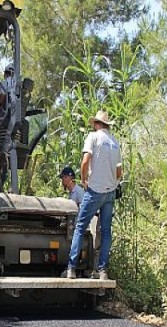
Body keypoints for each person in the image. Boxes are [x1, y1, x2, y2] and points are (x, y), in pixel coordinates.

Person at [66, 110, 122, 280]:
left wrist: (84, 180)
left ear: (97, 124)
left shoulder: (93, 137)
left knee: (79, 227)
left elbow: (85, 161)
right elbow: (119, 171)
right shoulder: (115, 142)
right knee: (106, 232)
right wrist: (112, 183)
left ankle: (71, 268)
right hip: (110, 193)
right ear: (107, 125)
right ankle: (102, 271)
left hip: (95, 191)